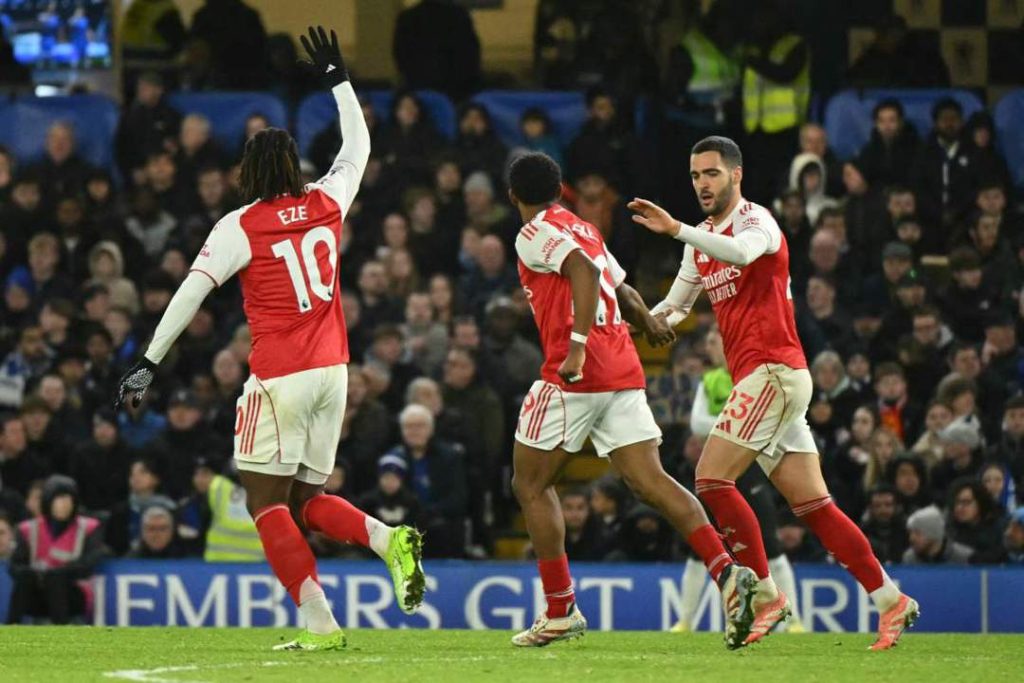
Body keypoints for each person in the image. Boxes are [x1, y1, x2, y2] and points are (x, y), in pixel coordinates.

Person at [113, 27, 423, 652]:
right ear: (295, 168)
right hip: (335, 371)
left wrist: (147, 361)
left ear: (248, 171)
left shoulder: (240, 225)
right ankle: (390, 540)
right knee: (307, 500)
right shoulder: (327, 200)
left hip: (280, 376)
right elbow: (358, 144)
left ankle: (318, 622)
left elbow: (190, 294)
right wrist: (338, 79)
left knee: (263, 505)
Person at [630, 135, 917, 650]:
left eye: (712, 173)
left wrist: (677, 230)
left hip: (775, 372)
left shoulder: (755, 221)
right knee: (814, 507)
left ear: (736, 175)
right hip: (763, 381)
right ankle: (889, 600)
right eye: (696, 176)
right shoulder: (701, 243)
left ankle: (765, 595)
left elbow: (741, 253)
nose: (702, 184)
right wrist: (622, 318)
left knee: (712, 480)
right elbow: (672, 309)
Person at [506, 152, 758, 649]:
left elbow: (580, 272)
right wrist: (649, 323)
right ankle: (727, 572)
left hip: (575, 374)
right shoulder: (584, 228)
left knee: (530, 485)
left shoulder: (533, 232)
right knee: (652, 482)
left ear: (514, 195)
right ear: (562, 192)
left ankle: (560, 610)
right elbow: (618, 286)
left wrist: (576, 346)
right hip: (623, 368)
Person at [6, 476, 108, 624]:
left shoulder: (89, 527)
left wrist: (61, 571)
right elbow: (15, 564)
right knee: (24, 578)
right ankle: (10, 631)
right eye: (59, 499)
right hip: (38, 591)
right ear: (48, 501)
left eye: (69, 500)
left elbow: (90, 561)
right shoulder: (28, 529)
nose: (65, 505)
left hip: (72, 593)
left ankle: (60, 634)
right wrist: (31, 573)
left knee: (56, 578)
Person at [902, 505, 972, 565]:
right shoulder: (909, 559)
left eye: (917, 533)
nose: (911, 538)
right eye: (910, 533)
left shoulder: (964, 558)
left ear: (933, 533)